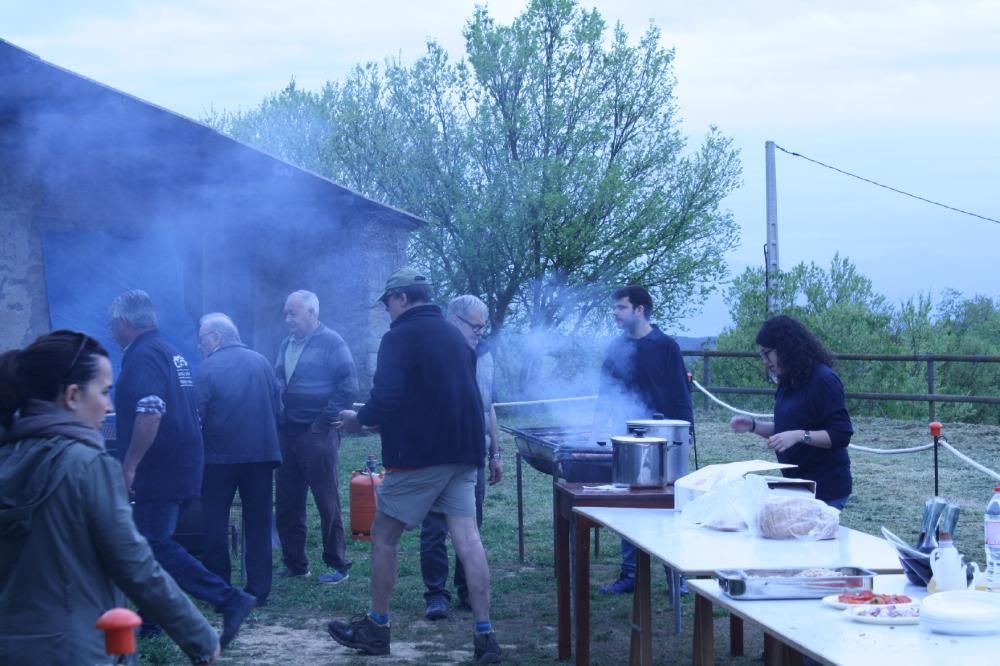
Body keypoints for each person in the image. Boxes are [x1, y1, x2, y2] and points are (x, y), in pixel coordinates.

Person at [0, 330, 220, 665]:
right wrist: (199, 636)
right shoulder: (87, 466)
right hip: (75, 649)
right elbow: (135, 564)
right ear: (72, 396)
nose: (109, 406)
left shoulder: (7, 456)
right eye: (103, 392)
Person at [328, 268, 502, 663]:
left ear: (402, 298)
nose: (386, 310)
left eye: (388, 302)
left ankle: (377, 626)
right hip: (465, 451)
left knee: (384, 536)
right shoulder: (456, 339)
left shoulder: (398, 338)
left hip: (420, 456)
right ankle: (485, 634)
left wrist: (356, 420)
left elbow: (384, 400)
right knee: (468, 539)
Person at [110, 290, 255, 647]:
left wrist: (129, 465)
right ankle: (150, 619)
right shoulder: (170, 352)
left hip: (160, 465)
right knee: (151, 540)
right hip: (185, 459)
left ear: (125, 323)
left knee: (153, 542)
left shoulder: (142, 356)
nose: (112, 331)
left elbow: (151, 410)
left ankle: (228, 598)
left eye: (113, 325)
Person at [592, 286, 693, 595]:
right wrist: (597, 427)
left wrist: (686, 431)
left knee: (670, 504)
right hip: (628, 437)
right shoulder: (616, 347)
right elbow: (607, 392)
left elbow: (680, 391)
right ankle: (631, 574)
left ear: (639, 310)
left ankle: (678, 575)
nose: (615, 313)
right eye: (615, 308)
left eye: (621, 308)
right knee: (630, 503)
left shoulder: (665, 346)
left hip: (666, 437)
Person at [420, 295, 503, 621]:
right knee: (434, 527)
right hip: (435, 453)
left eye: (483, 326)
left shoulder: (484, 354)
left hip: (474, 454)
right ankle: (436, 594)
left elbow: (488, 407)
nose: (480, 332)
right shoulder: (430, 350)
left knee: (470, 529)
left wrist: (496, 452)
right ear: (453, 319)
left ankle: (467, 589)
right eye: (475, 326)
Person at [196, 313, 282, 607]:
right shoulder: (262, 362)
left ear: (217, 337)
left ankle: (219, 589)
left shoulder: (207, 368)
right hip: (261, 456)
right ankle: (259, 590)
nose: (200, 346)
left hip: (219, 459)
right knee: (258, 523)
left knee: (214, 522)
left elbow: (198, 415)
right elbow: (277, 407)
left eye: (202, 339)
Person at [274, 290, 358, 583]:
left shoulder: (332, 342)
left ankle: (338, 565)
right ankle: (295, 564)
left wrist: (321, 423)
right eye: (286, 313)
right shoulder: (286, 343)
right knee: (287, 502)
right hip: (287, 434)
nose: (287, 319)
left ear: (311, 313)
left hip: (317, 434)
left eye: (293, 313)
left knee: (327, 500)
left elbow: (348, 386)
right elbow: (279, 383)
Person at [729, 315, 853, 509]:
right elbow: (785, 430)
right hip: (797, 486)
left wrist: (799, 436)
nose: (765, 361)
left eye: (767, 353)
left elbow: (841, 434)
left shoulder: (824, 380)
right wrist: (753, 426)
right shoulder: (788, 380)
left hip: (826, 489)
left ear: (785, 347)